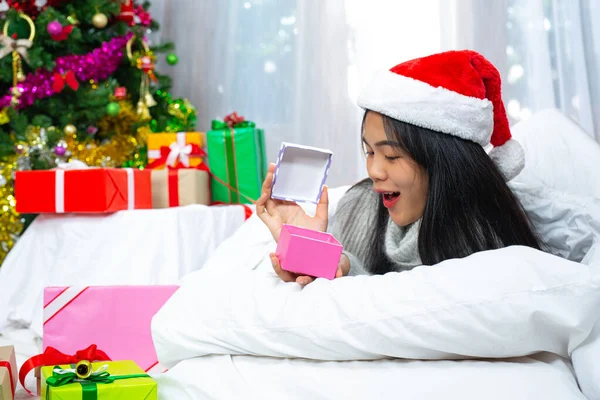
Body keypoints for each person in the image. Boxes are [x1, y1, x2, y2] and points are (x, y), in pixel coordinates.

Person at [256, 50, 542, 286]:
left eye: (391, 156)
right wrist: (311, 251)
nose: (374, 171)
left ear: (445, 162)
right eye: (369, 152)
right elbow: (350, 273)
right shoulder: (362, 205)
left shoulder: (488, 243)